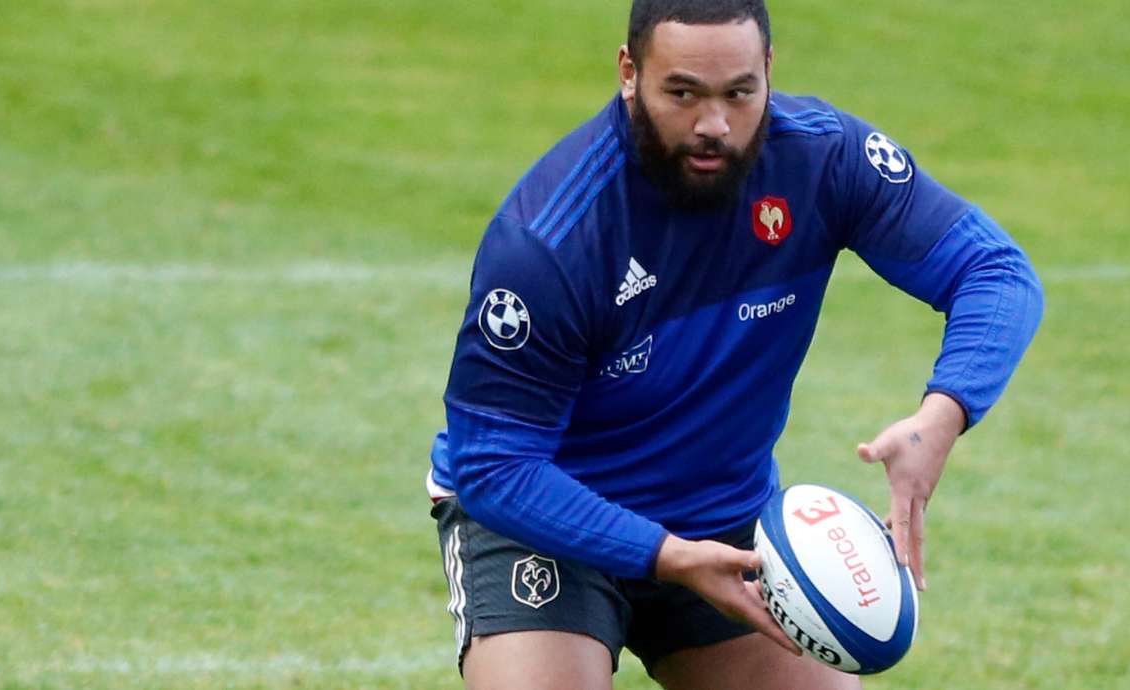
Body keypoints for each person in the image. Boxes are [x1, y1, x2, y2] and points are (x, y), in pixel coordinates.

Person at [426, 1, 1043, 688]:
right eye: (683, 92)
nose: (713, 126)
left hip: (723, 522)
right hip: (544, 522)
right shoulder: (552, 241)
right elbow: (494, 467)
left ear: (769, 72)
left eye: (739, 93)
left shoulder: (821, 159)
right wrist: (663, 554)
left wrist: (942, 415)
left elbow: (995, 272)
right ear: (629, 73)